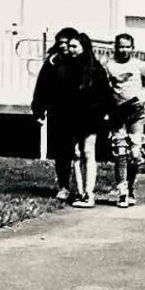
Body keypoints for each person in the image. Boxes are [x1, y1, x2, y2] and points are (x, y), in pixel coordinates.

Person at [30, 28, 113, 207]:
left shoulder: (92, 67)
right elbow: (42, 89)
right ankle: (72, 189)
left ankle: (86, 193)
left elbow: (104, 92)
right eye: (62, 44)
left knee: (86, 152)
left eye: (70, 44)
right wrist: (38, 110)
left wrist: (106, 113)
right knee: (68, 152)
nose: (66, 47)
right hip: (63, 114)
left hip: (88, 116)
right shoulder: (54, 63)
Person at [101, 31, 145, 208]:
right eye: (121, 47)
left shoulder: (140, 66)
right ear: (115, 47)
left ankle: (131, 186)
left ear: (133, 48)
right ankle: (122, 191)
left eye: (127, 47)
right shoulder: (109, 66)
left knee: (135, 153)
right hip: (117, 113)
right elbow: (105, 90)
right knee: (120, 151)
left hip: (136, 113)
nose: (124, 50)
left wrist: (142, 100)